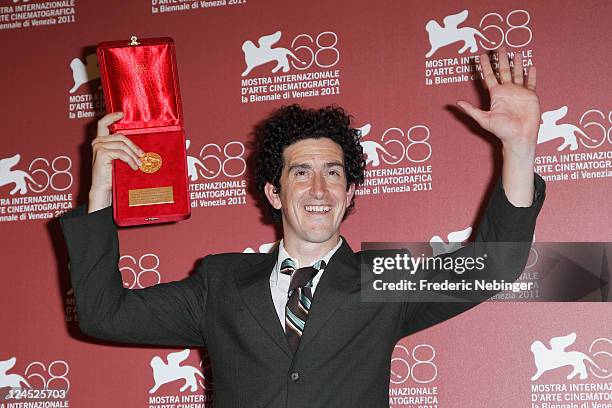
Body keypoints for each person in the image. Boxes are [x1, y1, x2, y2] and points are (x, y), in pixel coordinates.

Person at [59, 48, 545, 407]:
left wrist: (520, 149)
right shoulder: (220, 282)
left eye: (334, 173)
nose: (319, 188)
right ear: (274, 193)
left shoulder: (382, 278)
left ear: (350, 193)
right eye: (301, 173)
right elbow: (104, 314)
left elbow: (494, 266)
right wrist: (101, 192)